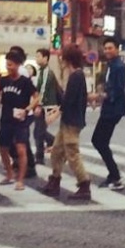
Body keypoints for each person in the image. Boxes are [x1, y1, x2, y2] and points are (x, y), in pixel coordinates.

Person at [42, 44, 91, 200]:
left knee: (72, 153)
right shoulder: (75, 75)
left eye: (63, 57)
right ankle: (54, 181)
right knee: (56, 151)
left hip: (72, 121)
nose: (61, 59)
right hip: (69, 120)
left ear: (68, 59)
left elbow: (69, 101)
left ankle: (84, 185)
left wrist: (55, 114)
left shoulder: (76, 76)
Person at [0, 49, 38, 191]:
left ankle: (20, 180)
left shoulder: (25, 82)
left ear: (18, 65)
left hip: (20, 119)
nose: (9, 67)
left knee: (21, 149)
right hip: (6, 118)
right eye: (7, 65)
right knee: (3, 148)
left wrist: (27, 109)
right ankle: (9, 173)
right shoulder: (3, 80)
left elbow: (36, 97)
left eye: (11, 65)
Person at [91, 38, 125, 191]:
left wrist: (100, 96)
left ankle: (115, 176)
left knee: (99, 140)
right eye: (105, 48)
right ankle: (114, 174)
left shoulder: (119, 66)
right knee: (99, 141)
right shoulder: (111, 65)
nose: (107, 51)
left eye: (110, 48)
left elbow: (119, 90)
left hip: (114, 110)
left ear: (117, 49)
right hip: (109, 108)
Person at [33, 48, 59, 165]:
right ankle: (52, 143)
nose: (37, 58)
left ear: (45, 58)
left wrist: (38, 104)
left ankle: (40, 156)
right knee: (38, 131)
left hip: (46, 105)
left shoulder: (47, 72)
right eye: (36, 56)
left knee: (39, 131)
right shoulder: (42, 71)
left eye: (39, 56)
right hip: (44, 105)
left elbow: (42, 90)